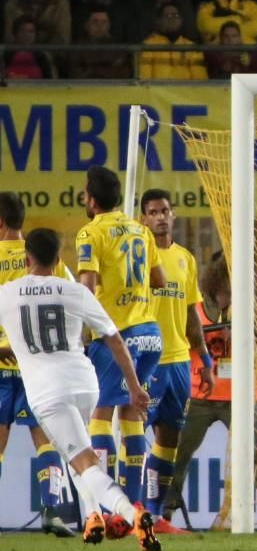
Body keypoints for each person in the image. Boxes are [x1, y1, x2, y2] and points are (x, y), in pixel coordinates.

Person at [0, 228, 157, 550]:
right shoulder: (75, 291)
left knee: (83, 461)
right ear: (59, 259)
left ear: (27, 258)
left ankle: (131, 514)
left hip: (48, 393)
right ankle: (92, 517)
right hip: (86, 384)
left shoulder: (8, 293)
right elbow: (114, 339)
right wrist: (135, 386)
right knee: (74, 450)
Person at [159, 252, 257, 530]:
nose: (231, 295)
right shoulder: (195, 309)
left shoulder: (255, 308)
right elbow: (182, 344)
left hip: (244, 396)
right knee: (177, 452)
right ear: (215, 283)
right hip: (200, 395)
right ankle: (164, 513)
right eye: (226, 289)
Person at [75, 167, 166, 507]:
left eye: (86, 194)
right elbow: (159, 280)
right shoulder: (140, 231)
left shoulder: (90, 233)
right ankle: (135, 504)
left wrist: (82, 331)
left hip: (118, 335)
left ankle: (104, 505)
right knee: (132, 413)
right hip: (150, 336)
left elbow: (87, 289)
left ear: (92, 199)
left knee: (101, 413)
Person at [0, 193, 84, 537]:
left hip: (1, 361)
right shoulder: (44, 256)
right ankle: (52, 510)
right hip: (38, 363)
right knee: (46, 440)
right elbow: (70, 302)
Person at [136, 190, 210, 528]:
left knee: (169, 440)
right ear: (143, 219)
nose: (161, 217)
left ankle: (153, 513)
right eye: (153, 212)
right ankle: (128, 512)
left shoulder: (185, 259)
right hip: (147, 359)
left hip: (180, 361)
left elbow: (192, 313)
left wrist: (205, 359)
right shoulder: (137, 259)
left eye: (165, 210)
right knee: (134, 434)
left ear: (174, 214)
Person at [139, 2, 206, 79]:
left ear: (181, 21)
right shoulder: (148, 45)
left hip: (185, 90)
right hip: (157, 90)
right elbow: (144, 81)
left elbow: (200, 81)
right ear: (158, 21)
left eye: (176, 16)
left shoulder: (192, 47)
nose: (172, 19)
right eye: (167, 16)